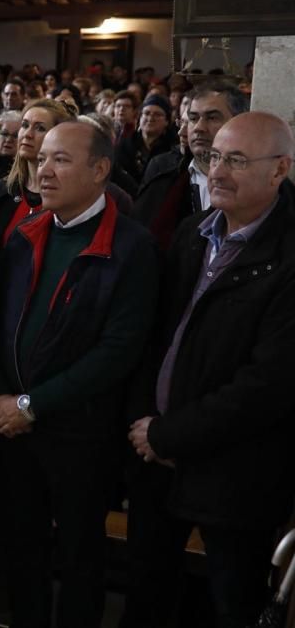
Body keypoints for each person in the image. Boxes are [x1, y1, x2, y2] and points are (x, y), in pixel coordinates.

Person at [0, 121, 160, 628]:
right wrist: (0, 395)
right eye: (42, 158)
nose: (44, 169)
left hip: (80, 431)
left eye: (60, 159)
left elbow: (118, 350)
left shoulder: (131, 247)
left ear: (100, 170)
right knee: (22, 547)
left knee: (81, 553)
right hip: (11, 424)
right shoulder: (23, 235)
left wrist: (31, 404)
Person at [123, 113, 295, 628]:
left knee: (230, 606)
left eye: (237, 160)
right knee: (146, 600)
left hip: (236, 474)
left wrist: (168, 433)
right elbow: (153, 338)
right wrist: (145, 428)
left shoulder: (288, 255)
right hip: (157, 458)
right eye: (215, 156)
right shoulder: (193, 233)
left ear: (280, 169)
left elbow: (269, 385)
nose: (217, 171)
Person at [133, 82, 248, 251]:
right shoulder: (162, 179)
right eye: (193, 119)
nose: (199, 128)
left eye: (212, 117)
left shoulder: (256, 185)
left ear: (239, 122)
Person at [0, 99, 76, 243]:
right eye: (24, 125)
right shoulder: (3, 190)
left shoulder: (71, 199)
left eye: (40, 128)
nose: (27, 134)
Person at [116, 95, 176, 185]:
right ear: (140, 118)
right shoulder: (125, 145)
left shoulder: (172, 148)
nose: (151, 118)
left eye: (157, 114)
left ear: (167, 121)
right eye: (147, 113)